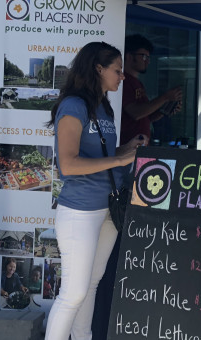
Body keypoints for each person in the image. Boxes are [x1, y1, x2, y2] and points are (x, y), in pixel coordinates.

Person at [44, 42, 147, 340]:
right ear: (98, 69)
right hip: (79, 210)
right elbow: (68, 164)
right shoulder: (74, 105)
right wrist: (119, 158)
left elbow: (98, 154)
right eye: (117, 70)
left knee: (91, 284)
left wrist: (126, 149)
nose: (122, 76)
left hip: (108, 207)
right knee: (73, 293)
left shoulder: (102, 105)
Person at [120, 34, 183, 143]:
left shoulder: (137, 83)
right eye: (144, 56)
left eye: (148, 57)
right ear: (129, 56)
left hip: (140, 146)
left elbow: (146, 117)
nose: (147, 61)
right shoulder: (123, 81)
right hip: (126, 148)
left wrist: (164, 110)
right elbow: (135, 113)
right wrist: (165, 98)